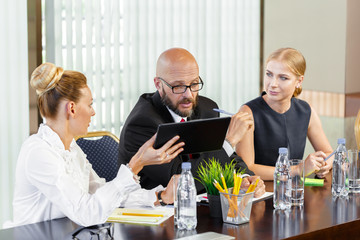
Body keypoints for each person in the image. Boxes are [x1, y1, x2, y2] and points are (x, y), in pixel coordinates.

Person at [5, 63, 185, 228]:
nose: (93, 112)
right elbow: (87, 213)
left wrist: (160, 197)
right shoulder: (39, 153)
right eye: (90, 104)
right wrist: (135, 165)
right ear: (72, 109)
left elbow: (102, 193)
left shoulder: (71, 148)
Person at [118, 48, 265, 197]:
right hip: (156, 212)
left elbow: (225, 156)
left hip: (201, 206)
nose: (188, 95)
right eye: (178, 86)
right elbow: (181, 181)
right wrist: (229, 141)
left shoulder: (207, 108)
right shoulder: (141, 124)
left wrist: (245, 178)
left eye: (194, 84)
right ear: (158, 84)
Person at [236, 48, 333, 180]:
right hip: (261, 193)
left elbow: (329, 153)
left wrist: (324, 164)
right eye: (269, 74)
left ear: (299, 81)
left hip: (295, 193)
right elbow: (247, 168)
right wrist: (298, 169)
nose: (273, 84)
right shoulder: (248, 112)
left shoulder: (306, 110)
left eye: (283, 77)